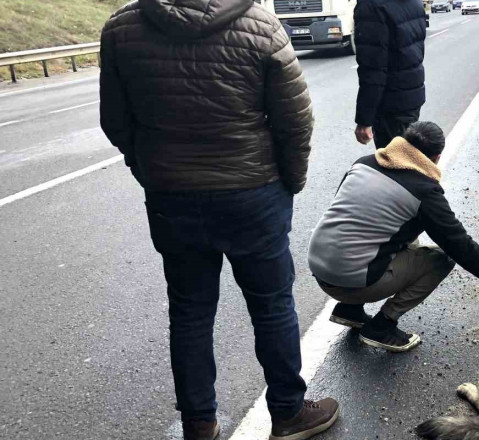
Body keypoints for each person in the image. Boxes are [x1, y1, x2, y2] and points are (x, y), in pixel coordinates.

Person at [99, 1, 338, 439]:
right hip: (253, 193)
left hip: (172, 196)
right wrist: (290, 181)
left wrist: (151, 170)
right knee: (271, 305)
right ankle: (288, 412)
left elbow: (115, 120)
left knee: (189, 311)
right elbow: (295, 121)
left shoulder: (123, 28)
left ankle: (199, 424)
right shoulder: (260, 24)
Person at [308, 121, 479, 352]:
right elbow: (460, 246)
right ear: (436, 157)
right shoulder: (424, 192)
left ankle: (349, 310)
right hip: (351, 280)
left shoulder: (363, 164)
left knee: (389, 233)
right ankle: (382, 326)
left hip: (320, 269)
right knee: (441, 259)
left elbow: (352, 219)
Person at [353, 0, 428, 149]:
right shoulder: (414, 3)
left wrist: (364, 120)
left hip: (390, 105)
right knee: (407, 156)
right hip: (412, 96)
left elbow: (373, 68)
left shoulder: (372, 6)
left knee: (393, 164)